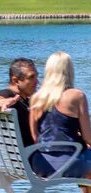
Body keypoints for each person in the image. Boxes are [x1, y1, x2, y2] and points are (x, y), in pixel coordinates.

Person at [29, 51, 91, 182]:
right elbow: (87, 137)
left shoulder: (36, 98)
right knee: (87, 155)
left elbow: (35, 138)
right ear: (69, 70)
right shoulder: (77, 96)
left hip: (41, 164)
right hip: (70, 162)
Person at [0, 57, 39, 146]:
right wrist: (4, 102)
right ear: (15, 80)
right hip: (32, 155)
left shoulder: (25, 100)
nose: (37, 81)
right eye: (31, 77)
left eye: (36, 76)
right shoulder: (9, 95)